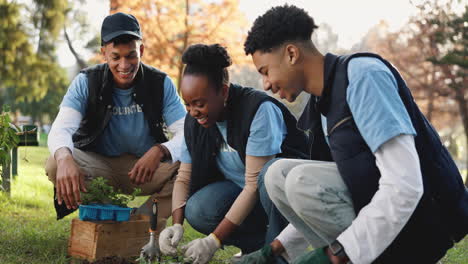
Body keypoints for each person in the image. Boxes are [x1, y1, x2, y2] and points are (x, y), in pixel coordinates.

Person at [237, 4, 468, 264]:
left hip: (427, 223)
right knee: (278, 174)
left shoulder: (363, 77)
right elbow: (331, 191)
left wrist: (333, 256)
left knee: (299, 179)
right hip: (381, 217)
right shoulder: (321, 105)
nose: (266, 84)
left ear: (291, 54)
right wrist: (275, 249)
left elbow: (406, 185)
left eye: (266, 71)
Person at [157, 43, 308, 264]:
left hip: (281, 195)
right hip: (242, 192)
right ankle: (252, 247)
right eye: (188, 105)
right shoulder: (194, 121)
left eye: (199, 103)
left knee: (268, 177)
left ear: (224, 91)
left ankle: (276, 253)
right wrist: (176, 225)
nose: (193, 112)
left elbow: (254, 185)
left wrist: (213, 241)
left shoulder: (258, 110)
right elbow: (184, 177)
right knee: (198, 208)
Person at [45, 12, 186, 234]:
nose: (124, 65)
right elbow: (61, 129)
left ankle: (141, 223)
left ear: (141, 50)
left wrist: (160, 150)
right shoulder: (86, 81)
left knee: (194, 164)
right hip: (99, 166)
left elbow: (188, 133)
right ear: (104, 54)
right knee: (55, 162)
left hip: (145, 169)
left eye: (131, 55)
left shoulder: (160, 82)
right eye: (115, 57)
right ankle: (108, 215)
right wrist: (64, 158)